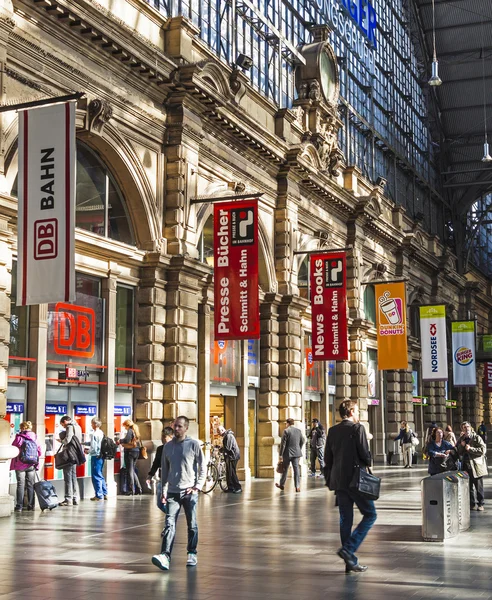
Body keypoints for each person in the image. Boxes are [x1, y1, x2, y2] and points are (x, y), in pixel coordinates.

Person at [324, 400, 377, 573]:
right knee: (370, 515)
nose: (358, 414)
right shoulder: (358, 428)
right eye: (357, 411)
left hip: (339, 481)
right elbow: (365, 455)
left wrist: (330, 478)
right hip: (356, 480)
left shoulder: (332, 431)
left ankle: (349, 562)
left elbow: (327, 459)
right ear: (352, 411)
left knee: (345, 520)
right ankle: (349, 549)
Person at [152, 416, 207, 571]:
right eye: (175, 426)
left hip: (189, 492)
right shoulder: (167, 447)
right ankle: (165, 555)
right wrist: (163, 491)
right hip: (172, 492)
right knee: (169, 524)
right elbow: (165, 470)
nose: (176, 429)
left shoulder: (193, 445)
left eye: (180, 426)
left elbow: (203, 467)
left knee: (192, 524)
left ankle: (191, 552)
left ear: (186, 428)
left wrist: (197, 487)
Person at [455, 421, 488, 511]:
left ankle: (480, 503)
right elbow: (458, 451)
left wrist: (470, 449)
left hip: (476, 465)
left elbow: (482, 450)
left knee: (478, 486)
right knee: (468, 486)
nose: (466, 429)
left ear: (470, 427)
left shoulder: (477, 438)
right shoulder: (461, 439)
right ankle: (472, 503)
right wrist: (462, 446)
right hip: (465, 466)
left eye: (467, 427)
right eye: (464, 427)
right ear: (462, 429)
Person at [10, 421, 42, 512]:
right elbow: (39, 451)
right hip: (31, 464)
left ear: (23, 428)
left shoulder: (19, 437)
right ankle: (31, 505)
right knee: (30, 485)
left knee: (20, 485)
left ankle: (19, 506)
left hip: (20, 464)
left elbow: (14, 448)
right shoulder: (35, 437)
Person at [147, 426, 174, 512]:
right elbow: (156, 463)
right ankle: (171, 515)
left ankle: (170, 518)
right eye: (162, 436)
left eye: (164, 437)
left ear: (171, 437)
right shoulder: (160, 449)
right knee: (160, 503)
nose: (162, 439)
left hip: (172, 480)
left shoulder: (175, 448)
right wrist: (150, 475)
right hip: (162, 478)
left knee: (169, 501)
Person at [58, 415, 83, 506]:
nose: (63, 427)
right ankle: (75, 498)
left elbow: (67, 440)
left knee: (68, 477)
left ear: (65, 421)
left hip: (69, 454)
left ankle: (68, 499)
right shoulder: (78, 426)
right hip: (76, 454)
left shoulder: (69, 427)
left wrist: (60, 441)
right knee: (73, 477)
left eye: (63, 425)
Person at [275, 418, 306, 492]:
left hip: (287, 454)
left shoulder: (286, 431)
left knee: (285, 469)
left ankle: (282, 485)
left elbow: (283, 444)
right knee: (296, 470)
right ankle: (297, 486)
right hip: (296, 453)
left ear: (287, 423)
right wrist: (299, 448)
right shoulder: (298, 431)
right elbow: (302, 440)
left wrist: (280, 455)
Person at [84, 418, 108, 502]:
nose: (91, 425)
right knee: (100, 474)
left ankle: (98, 495)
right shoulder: (101, 433)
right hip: (101, 456)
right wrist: (84, 443)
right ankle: (104, 493)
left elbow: (94, 447)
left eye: (92, 424)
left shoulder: (94, 434)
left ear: (95, 424)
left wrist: (88, 451)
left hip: (96, 456)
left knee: (95, 475)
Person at [118, 419, 143, 496]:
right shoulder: (136, 430)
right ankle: (139, 489)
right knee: (132, 470)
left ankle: (131, 490)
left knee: (129, 470)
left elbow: (126, 440)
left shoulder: (130, 430)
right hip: (136, 451)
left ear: (127, 425)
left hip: (130, 452)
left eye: (125, 426)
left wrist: (120, 441)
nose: (124, 428)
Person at [217, 425, 242, 493]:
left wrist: (221, 449)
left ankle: (238, 487)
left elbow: (228, 448)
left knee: (232, 472)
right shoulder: (227, 436)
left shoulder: (228, 436)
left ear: (222, 430)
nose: (218, 434)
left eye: (218, 432)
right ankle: (230, 487)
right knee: (229, 472)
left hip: (233, 456)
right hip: (231, 456)